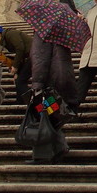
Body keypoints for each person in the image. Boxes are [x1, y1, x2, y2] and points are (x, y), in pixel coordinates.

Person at [28, 34, 81, 164]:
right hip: (63, 80)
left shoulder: (43, 34)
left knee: (41, 115)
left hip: (48, 83)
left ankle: (44, 154)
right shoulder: (61, 34)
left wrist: (37, 84)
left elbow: (40, 60)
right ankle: (59, 147)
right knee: (50, 116)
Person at [0, 26, 33, 104]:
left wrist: (15, 66)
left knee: (20, 81)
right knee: (18, 79)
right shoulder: (6, 39)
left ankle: (33, 100)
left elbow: (20, 49)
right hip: (29, 57)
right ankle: (20, 102)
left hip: (34, 56)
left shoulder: (10, 34)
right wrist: (17, 71)